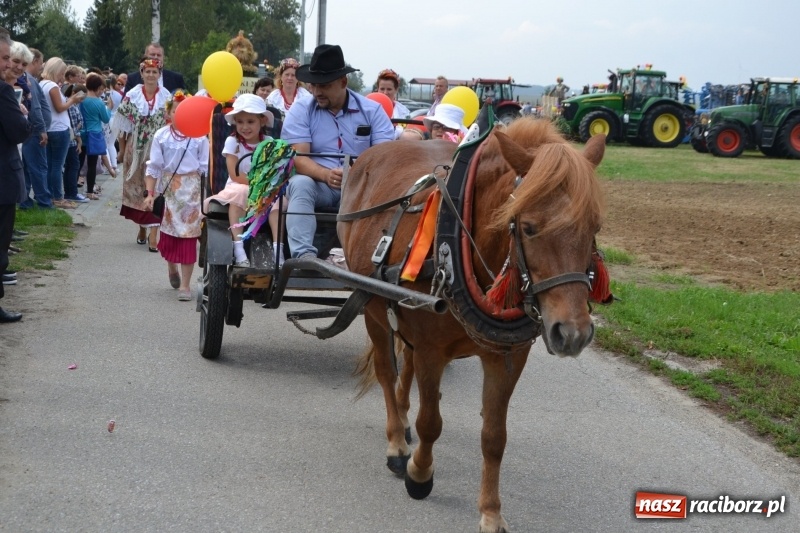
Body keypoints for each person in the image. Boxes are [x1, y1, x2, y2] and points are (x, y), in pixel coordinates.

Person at [282, 44, 394, 259]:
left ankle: (377, 259)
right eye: (313, 85)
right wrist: (325, 175)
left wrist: (358, 173)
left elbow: (384, 156)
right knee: (299, 183)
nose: (316, 92)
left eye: (323, 86)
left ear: (343, 82)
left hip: (362, 188)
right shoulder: (301, 109)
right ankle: (304, 257)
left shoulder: (372, 111)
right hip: (319, 185)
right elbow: (298, 158)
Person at [143, 91, 208, 300]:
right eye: (175, 110)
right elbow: (154, 167)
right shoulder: (161, 136)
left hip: (192, 191)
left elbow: (205, 169)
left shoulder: (200, 137)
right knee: (170, 236)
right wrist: (150, 194)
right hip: (169, 189)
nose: (180, 114)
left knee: (188, 238)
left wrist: (206, 199)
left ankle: (186, 286)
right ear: (169, 113)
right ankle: (172, 267)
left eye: (184, 110)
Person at [202, 94, 274, 267]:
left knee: (280, 200)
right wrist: (257, 186)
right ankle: (238, 247)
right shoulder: (232, 141)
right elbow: (235, 174)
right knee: (241, 194)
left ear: (262, 121)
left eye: (250, 122)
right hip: (238, 186)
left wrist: (265, 186)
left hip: (263, 189)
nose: (245, 127)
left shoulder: (269, 142)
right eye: (240, 122)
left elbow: (271, 171)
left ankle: (279, 248)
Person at [112, 57, 169, 251]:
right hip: (135, 147)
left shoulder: (166, 97)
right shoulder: (133, 95)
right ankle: (143, 228)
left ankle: (154, 234)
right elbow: (122, 127)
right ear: (142, 73)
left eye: (155, 72)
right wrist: (121, 150)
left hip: (158, 147)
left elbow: (172, 124)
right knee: (137, 189)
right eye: (148, 71)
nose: (151, 75)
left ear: (159, 75)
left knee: (156, 187)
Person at [1, 29, 32, 322]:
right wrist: (24, 116)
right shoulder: (3, 91)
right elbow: (18, 130)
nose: (9, 65)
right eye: (5, 58)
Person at [39, 57, 86, 210]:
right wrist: (73, 99)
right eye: (61, 72)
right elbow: (60, 107)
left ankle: (50, 195)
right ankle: (58, 197)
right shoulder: (52, 86)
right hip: (59, 128)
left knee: (51, 165)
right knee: (57, 166)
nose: (62, 75)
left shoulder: (42, 84)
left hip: (49, 128)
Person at [20, 47, 51, 209]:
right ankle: (44, 201)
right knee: (38, 166)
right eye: (41, 63)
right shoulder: (29, 81)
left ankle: (25, 200)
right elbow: (35, 108)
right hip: (34, 131)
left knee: (27, 167)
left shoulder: (29, 80)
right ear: (35, 61)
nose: (42, 67)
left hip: (30, 130)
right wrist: (42, 130)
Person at [79, 73, 113, 200]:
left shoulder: (82, 99)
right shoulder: (98, 103)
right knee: (92, 164)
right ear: (98, 87)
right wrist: (109, 108)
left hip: (82, 134)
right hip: (95, 134)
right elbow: (105, 119)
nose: (102, 92)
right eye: (102, 89)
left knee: (79, 162)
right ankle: (89, 191)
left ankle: (72, 190)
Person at [375, 68, 410, 139]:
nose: (385, 93)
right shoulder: (368, 109)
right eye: (382, 89)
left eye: (389, 89)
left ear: (396, 90)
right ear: (377, 89)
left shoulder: (404, 112)